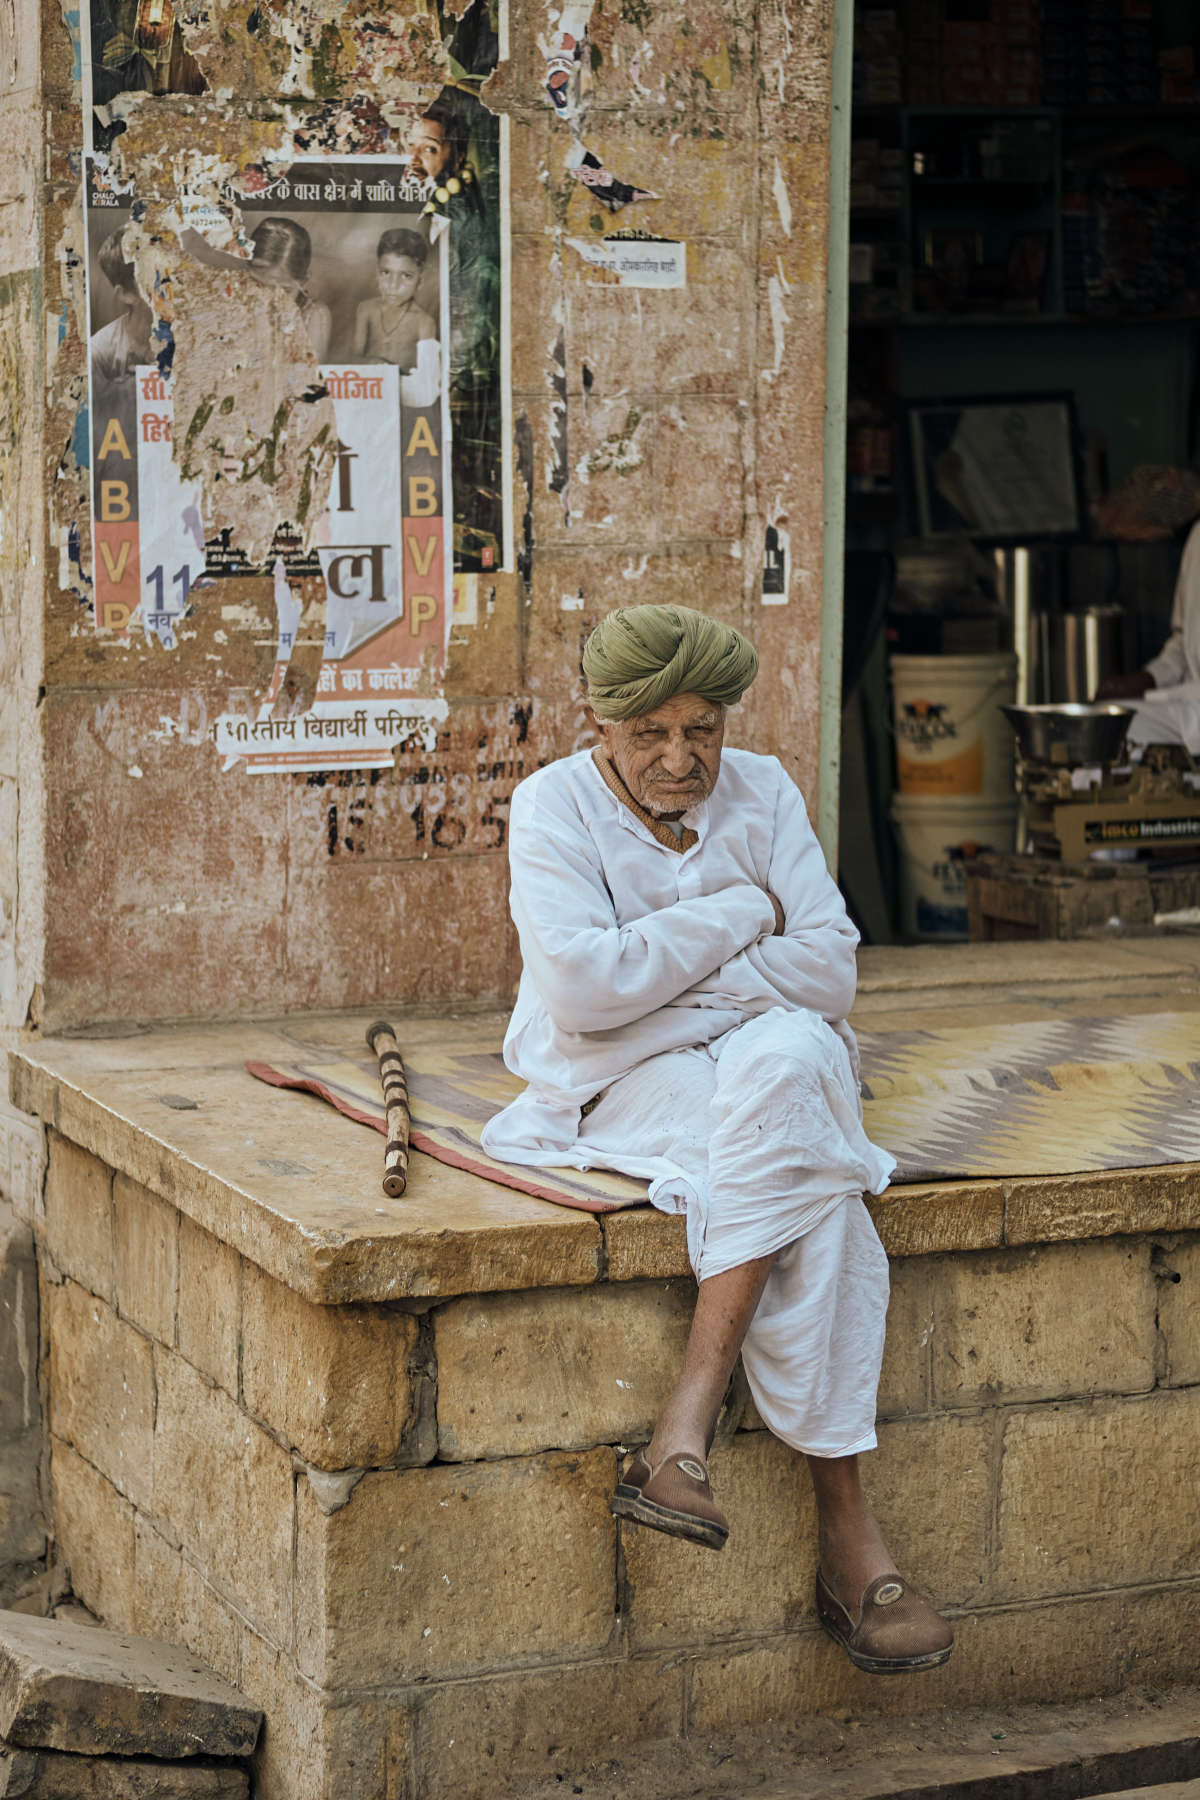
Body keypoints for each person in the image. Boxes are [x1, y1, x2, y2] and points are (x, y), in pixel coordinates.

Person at [480, 604, 954, 1675]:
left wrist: (667, 983)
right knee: (812, 1168)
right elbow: (585, 994)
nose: (679, 758)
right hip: (621, 1085)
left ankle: (683, 1432)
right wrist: (744, 914)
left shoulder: (768, 788)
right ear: (597, 725)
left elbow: (833, 971)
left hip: (755, 1063)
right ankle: (851, 1540)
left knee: (786, 1076)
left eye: (702, 730)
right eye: (649, 734)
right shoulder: (551, 806)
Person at [1097, 517, 1200, 754]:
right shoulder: (1198, 537)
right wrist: (1149, 679)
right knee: (1106, 725)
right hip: (1188, 709)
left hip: (1189, 707)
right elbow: (1183, 642)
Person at [352, 228, 438, 372]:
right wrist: (369, 363)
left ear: (420, 281)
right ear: (377, 273)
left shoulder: (424, 322)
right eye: (386, 273)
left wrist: (397, 374)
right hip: (371, 388)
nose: (393, 285)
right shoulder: (366, 310)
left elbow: (428, 375)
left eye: (406, 276)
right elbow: (354, 357)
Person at [246, 217, 331, 362]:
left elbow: (308, 378)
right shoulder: (232, 305)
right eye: (258, 286)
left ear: (303, 282)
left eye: (284, 292)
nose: (269, 302)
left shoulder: (314, 315)